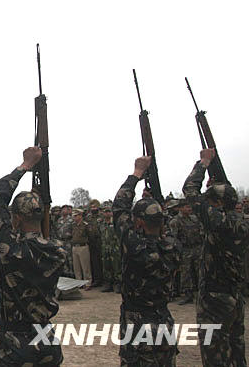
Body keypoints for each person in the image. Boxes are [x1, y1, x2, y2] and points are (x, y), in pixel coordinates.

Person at [0, 146, 66, 366]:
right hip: (46, 338)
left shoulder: (10, 250)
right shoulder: (58, 250)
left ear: (17, 219)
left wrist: (25, 166)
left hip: (15, 343)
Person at [183, 148, 249, 366]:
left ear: (219, 204)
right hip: (235, 296)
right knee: (236, 349)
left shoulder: (216, 221)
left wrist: (203, 162)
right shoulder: (242, 222)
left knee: (215, 353)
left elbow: (190, 189)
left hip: (214, 298)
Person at [113, 156, 179, 366]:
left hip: (137, 322)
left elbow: (119, 207)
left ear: (139, 222)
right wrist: (156, 201)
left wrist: (137, 173)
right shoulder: (173, 246)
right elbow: (161, 224)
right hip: (163, 319)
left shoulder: (134, 246)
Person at [168, 200, 203, 305]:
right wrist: (178, 251)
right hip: (185, 250)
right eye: (187, 207)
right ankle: (188, 294)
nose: (189, 209)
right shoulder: (175, 221)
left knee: (200, 272)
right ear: (180, 208)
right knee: (186, 273)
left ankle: (201, 293)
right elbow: (174, 238)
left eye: (189, 207)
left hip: (197, 248)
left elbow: (201, 231)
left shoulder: (194, 219)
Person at [71, 209, 92, 289]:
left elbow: (90, 236)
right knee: (77, 267)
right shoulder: (73, 225)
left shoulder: (85, 225)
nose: (74, 218)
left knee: (85, 266)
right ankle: (79, 283)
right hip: (75, 247)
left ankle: (88, 283)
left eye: (76, 216)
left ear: (80, 216)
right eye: (74, 216)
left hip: (83, 246)